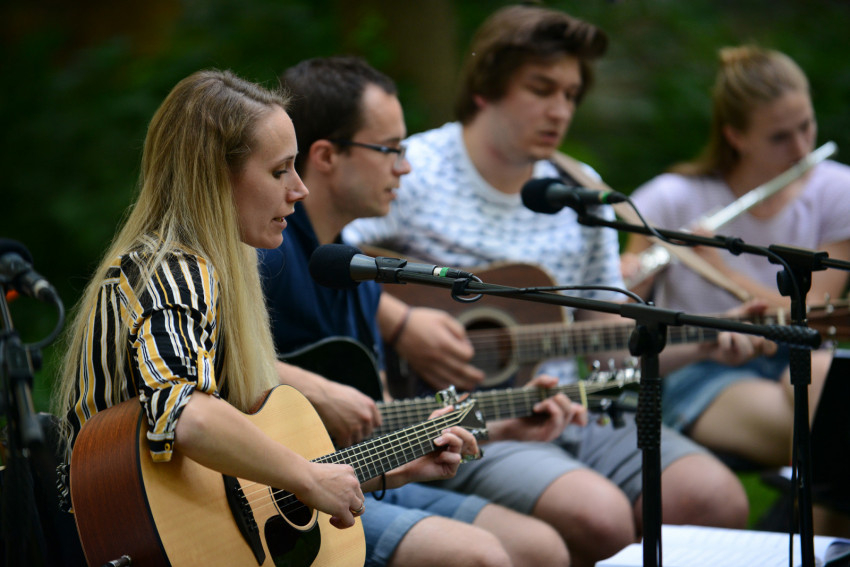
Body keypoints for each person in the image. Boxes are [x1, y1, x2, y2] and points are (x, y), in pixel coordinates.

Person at [345, 5, 752, 565]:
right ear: (486, 88)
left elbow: (609, 348)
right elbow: (324, 257)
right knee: (599, 516)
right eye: (541, 89)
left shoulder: (579, 192)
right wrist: (403, 323)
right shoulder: (415, 168)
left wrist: (705, 342)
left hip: (571, 407)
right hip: (455, 417)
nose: (560, 110)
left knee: (712, 497)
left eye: (571, 94)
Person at [52, 69, 482, 564]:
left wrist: (396, 464)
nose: (299, 189)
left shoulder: (221, 271)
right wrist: (309, 477)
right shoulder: (171, 271)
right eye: (280, 171)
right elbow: (183, 412)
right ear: (215, 176)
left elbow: (247, 488)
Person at [259, 56, 572, 566]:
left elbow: (379, 419)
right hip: (281, 496)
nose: (404, 167)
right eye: (390, 149)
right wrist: (317, 390)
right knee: (480, 557)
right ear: (327, 156)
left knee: (543, 549)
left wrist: (500, 423)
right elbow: (212, 357)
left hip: (360, 475)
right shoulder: (265, 251)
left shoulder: (351, 267)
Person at [622, 46, 850, 471]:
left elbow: (817, 314)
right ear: (736, 136)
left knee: (833, 402)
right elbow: (623, 310)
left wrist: (719, 269)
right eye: (779, 137)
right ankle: (800, 513)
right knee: (825, 429)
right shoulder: (671, 197)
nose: (802, 149)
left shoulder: (837, 191)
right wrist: (633, 278)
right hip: (702, 365)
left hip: (801, 354)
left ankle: (808, 514)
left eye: (806, 126)